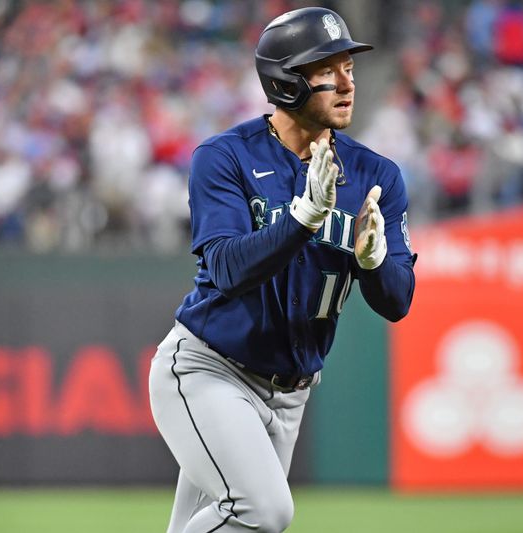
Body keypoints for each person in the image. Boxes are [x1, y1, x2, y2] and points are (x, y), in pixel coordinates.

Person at [149, 7, 416, 533]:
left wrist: (374, 261)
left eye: (350, 69)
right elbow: (225, 267)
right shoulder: (225, 157)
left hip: (292, 391)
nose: (347, 83)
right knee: (263, 512)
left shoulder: (375, 174)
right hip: (210, 369)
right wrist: (302, 220)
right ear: (287, 80)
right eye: (329, 69)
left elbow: (398, 301)